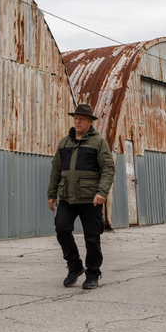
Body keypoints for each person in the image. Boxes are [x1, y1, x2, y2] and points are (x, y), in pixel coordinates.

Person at [47, 104, 116, 290]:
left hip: (90, 198)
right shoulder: (64, 142)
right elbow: (56, 169)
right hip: (67, 197)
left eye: (82, 119)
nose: (77, 121)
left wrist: (102, 192)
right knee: (62, 229)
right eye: (76, 118)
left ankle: (93, 273)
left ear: (90, 122)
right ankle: (75, 266)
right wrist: (51, 194)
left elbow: (108, 169)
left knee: (92, 238)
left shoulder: (98, 143)